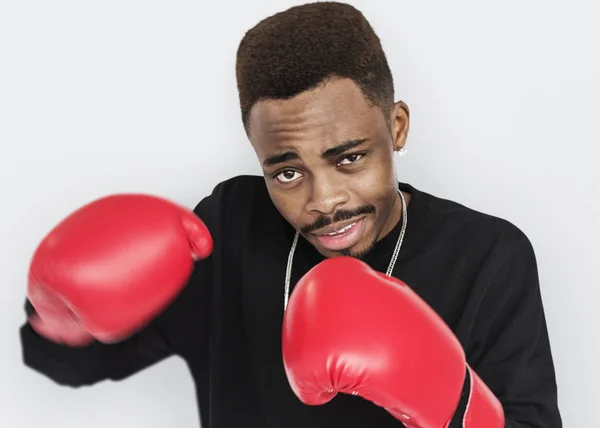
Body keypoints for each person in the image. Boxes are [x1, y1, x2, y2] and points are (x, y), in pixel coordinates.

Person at [20, 2, 562, 427]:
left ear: (395, 127)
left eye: (348, 158)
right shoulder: (229, 228)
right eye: (286, 172)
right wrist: (60, 318)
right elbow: (82, 364)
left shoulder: (487, 256)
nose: (323, 200)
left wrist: (455, 406)